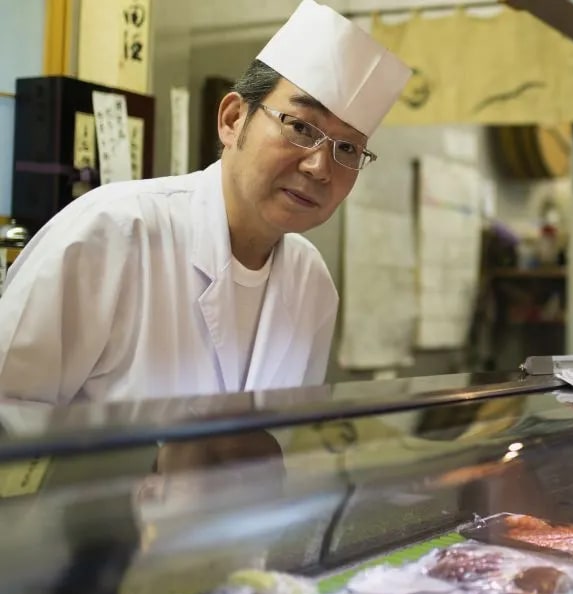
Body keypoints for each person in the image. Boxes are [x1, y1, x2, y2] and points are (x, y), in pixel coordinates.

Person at [0, 0, 411, 405]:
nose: (320, 167)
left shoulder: (312, 282)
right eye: (301, 127)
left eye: (348, 149)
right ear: (233, 120)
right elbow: (8, 410)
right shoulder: (111, 233)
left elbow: (280, 434)